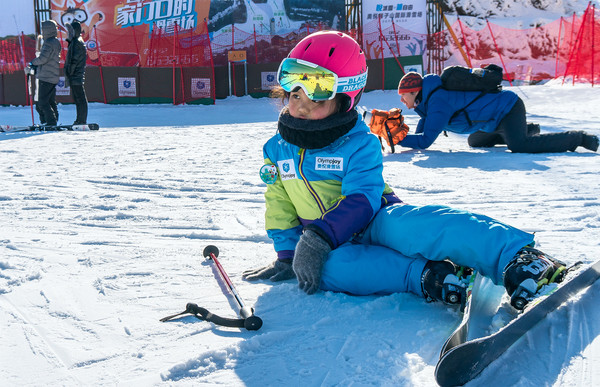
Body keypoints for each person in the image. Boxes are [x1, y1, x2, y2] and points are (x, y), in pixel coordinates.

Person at [242, 31, 567, 310]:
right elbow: (279, 202)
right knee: (329, 271)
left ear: (345, 98)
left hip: (375, 217)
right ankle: (431, 276)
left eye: (317, 95)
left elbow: (362, 199)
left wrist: (317, 237)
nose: (300, 104)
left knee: (415, 228)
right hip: (329, 243)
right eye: (294, 89)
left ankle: (518, 257)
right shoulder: (277, 149)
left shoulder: (359, 143)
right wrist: (287, 253)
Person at [396, 71, 599, 153]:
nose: (402, 101)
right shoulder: (431, 101)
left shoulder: (438, 102)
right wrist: (398, 134)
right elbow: (422, 130)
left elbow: (424, 141)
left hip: (508, 108)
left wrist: (396, 138)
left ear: (415, 92)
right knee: (475, 141)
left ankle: (578, 139)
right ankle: (527, 129)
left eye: (403, 96)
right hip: (495, 121)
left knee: (519, 146)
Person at [28, 20, 61, 126]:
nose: (42, 31)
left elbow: (43, 59)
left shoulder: (48, 43)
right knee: (50, 100)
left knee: (42, 101)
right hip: (52, 76)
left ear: (47, 30)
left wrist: (32, 62)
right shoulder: (55, 42)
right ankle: (52, 120)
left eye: (43, 29)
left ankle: (50, 122)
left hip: (46, 77)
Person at [64, 20, 88, 125]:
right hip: (75, 75)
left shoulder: (77, 42)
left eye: (71, 31)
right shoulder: (75, 41)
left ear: (75, 31)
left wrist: (69, 72)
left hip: (76, 75)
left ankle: (81, 120)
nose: (69, 33)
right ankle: (79, 119)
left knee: (80, 99)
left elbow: (74, 60)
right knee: (78, 99)